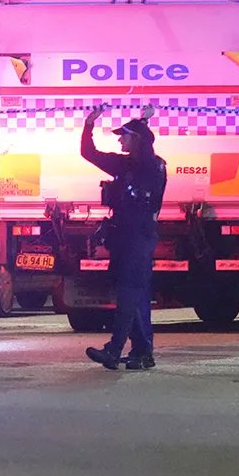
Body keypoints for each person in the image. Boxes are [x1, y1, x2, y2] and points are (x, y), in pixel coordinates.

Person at [80, 104, 166, 371]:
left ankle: (115, 349)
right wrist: (89, 124)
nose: (119, 141)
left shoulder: (153, 167)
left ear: (137, 140)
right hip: (122, 238)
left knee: (129, 295)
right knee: (131, 296)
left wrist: (143, 122)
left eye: (124, 137)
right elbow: (88, 153)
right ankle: (142, 352)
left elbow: (146, 167)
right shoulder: (123, 163)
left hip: (139, 238)